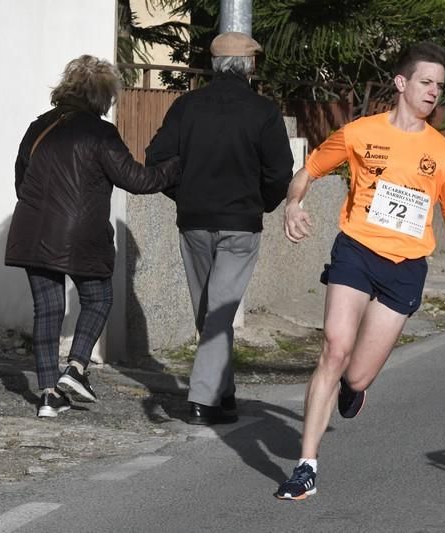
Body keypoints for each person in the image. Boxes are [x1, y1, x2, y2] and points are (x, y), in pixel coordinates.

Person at [275, 41, 445, 500]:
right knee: (334, 348)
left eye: (439, 86)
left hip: (405, 267)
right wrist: (293, 203)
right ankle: (306, 466)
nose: (433, 92)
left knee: (355, 377)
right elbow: (309, 169)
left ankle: (353, 390)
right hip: (356, 250)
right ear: (401, 83)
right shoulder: (360, 133)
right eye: (426, 82)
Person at [4, 55, 180, 418]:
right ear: (102, 96)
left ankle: (49, 396)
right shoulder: (100, 133)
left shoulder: (38, 127)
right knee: (98, 299)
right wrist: (178, 165)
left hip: (32, 232)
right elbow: (137, 180)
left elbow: (22, 179)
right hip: (82, 236)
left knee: (48, 310)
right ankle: (76, 367)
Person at [145, 32, 294, 426]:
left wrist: (183, 193)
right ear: (251, 67)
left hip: (193, 220)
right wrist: (260, 203)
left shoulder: (186, 107)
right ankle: (204, 399)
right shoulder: (263, 111)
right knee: (218, 312)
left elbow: (156, 158)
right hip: (240, 226)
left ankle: (221, 394)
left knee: (209, 312)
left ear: (213, 65)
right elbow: (280, 173)